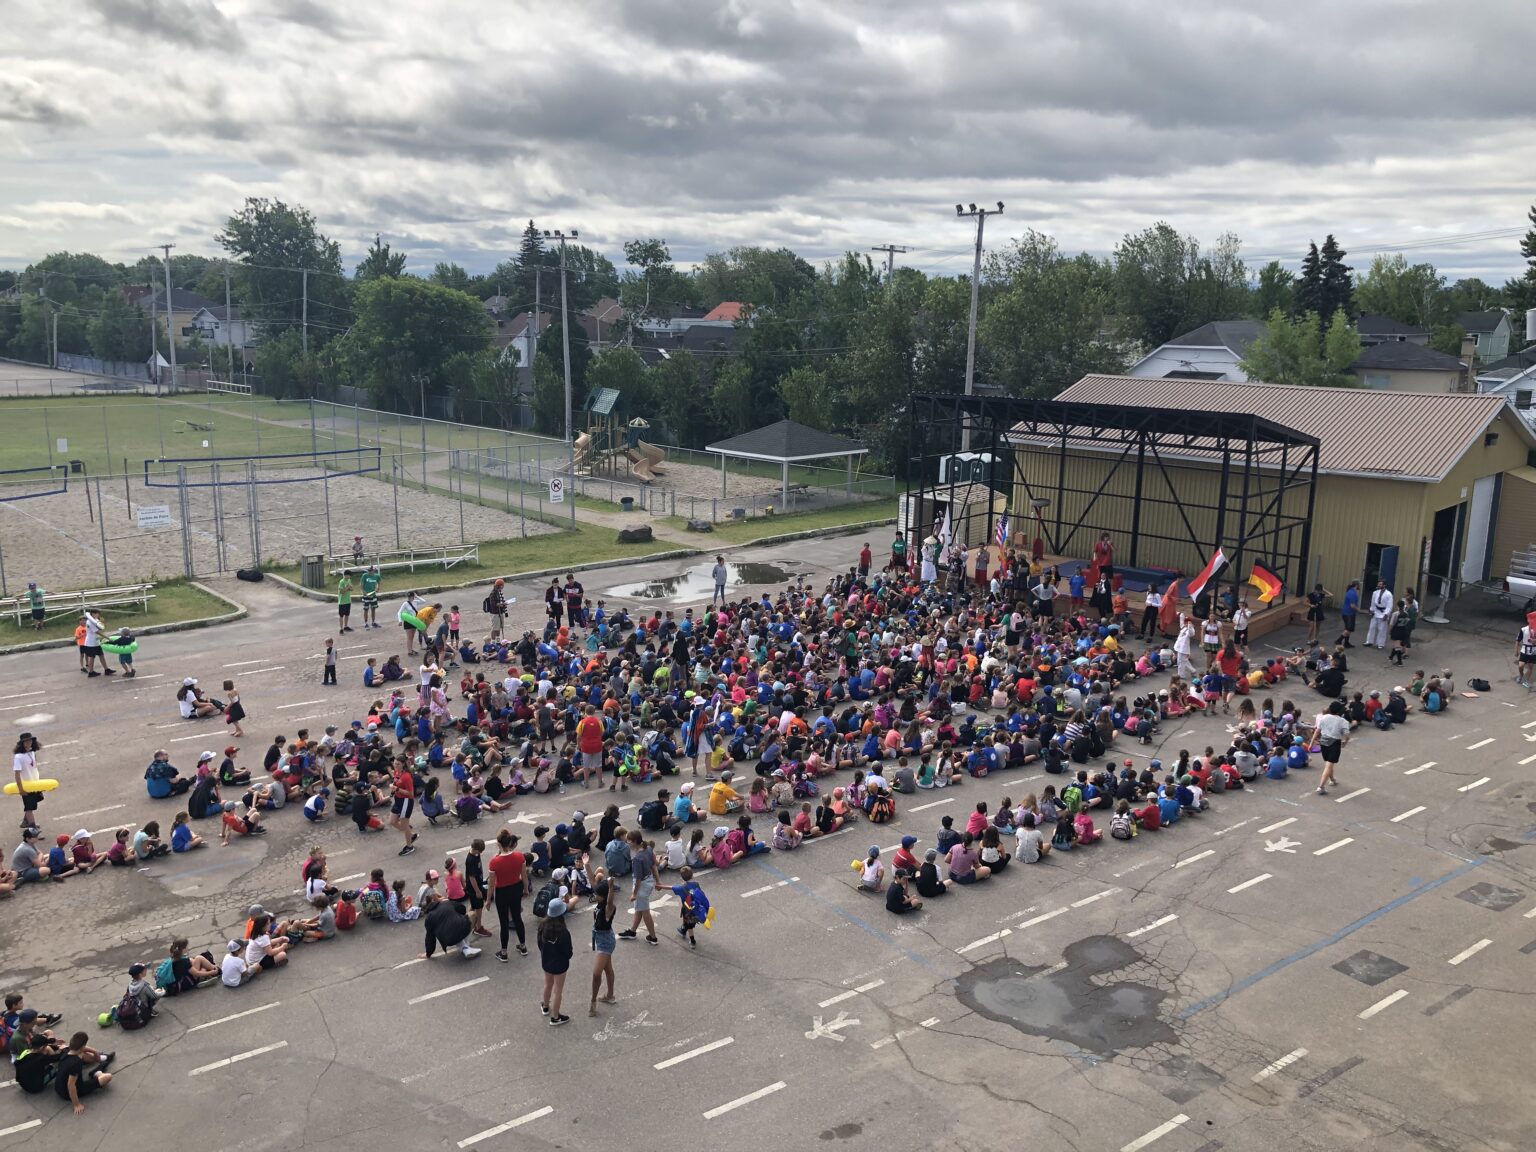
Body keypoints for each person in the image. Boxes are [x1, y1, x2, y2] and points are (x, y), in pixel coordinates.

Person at [488, 828, 528, 960]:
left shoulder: (494, 862)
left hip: (502, 892)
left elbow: (492, 884)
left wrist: (488, 899)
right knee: (517, 918)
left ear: (499, 844)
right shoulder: (519, 856)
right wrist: (526, 889)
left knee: (504, 922)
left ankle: (504, 952)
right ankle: (523, 946)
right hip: (516, 888)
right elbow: (524, 876)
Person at [538, 899, 573, 1026]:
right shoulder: (563, 932)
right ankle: (555, 1016)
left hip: (546, 962)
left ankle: (546, 1006)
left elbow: (539, 945)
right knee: (558, 990)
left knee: (548, 984)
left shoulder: (542, 927)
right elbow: (568, 952)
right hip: (560, 965)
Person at [588, 877, 618, 1017]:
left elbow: (611, 900)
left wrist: (611, 887)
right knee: (608, 968)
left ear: (604, 895)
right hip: (601, 938)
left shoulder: (608, 908)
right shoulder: (601, 902)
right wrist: (586, 864)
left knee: (596, 973)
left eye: (598, 894)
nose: (595, 895)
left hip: (605, 941)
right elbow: (594, 884)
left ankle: (593, 1001)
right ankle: (610, 995)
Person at [1310, 699, 1350, 796]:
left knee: (1328, 762)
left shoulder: (1324, 717)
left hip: (1324, 741)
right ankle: (1321, 786)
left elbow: (1317, 730)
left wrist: (1311, 742)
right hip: (1334, 742)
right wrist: (1345, 741)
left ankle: (1332, 779)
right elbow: (1347, 734)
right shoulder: (1343, 721)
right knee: (1329, 764)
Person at [12, 731, 43, 833]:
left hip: (35, 783)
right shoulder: (18, 757)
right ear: (22, 743)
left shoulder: (32, 752)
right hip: (26, 785)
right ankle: (32, 829)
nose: (28, 742)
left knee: (34, 803)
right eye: (26, 741)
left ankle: (26, 821)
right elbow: (17, 774)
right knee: (29, 807)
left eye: (30, 740)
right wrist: (21, 789)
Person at [1365, 580, 1394, 650]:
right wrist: (1371, 610)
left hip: (1383, 612)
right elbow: (1372, 603)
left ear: (1384, 585)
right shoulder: (1375, 593)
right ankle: (1369, 641)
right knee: (1372, 627)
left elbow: (1389, 606)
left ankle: (1380, 643)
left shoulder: (1389, 594)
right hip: (1375, 611)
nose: (1379, 585)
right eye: (1378, 584)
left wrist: (1386, 614)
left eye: (1380, 584)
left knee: (1382, 629)